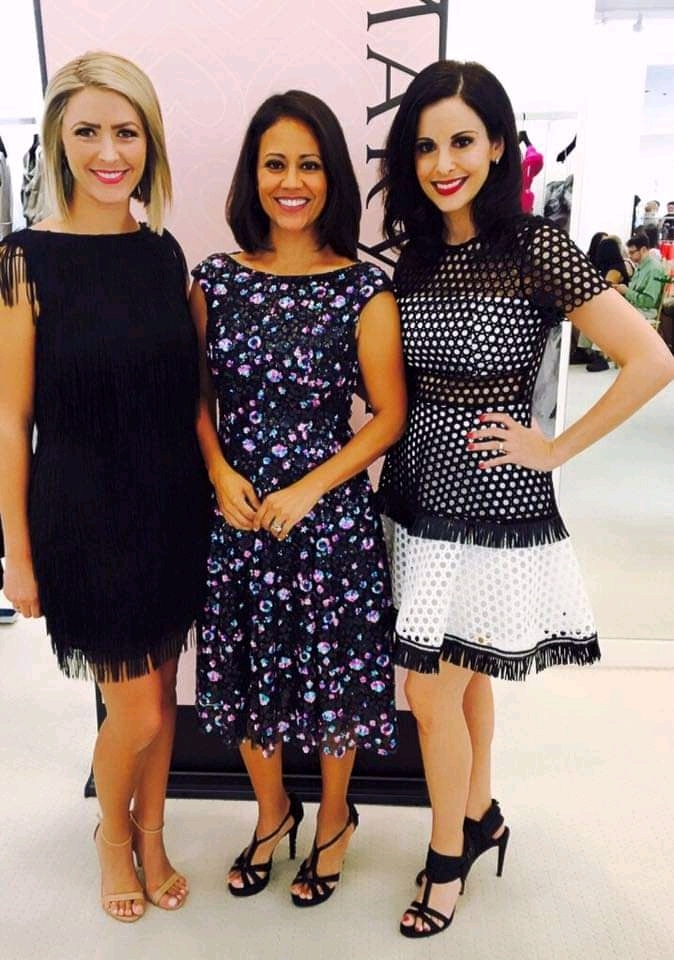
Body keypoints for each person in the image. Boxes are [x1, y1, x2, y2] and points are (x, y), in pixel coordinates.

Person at [377, 59, 674, 940]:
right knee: (461, 673)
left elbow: (652, 360)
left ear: (500, 146)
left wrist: (555, 448)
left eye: (462, 142)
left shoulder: (535, 247)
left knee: (430, 691)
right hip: (416, 495)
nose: (443, 163)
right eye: (425, 146)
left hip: (491, 504)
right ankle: (479, 816)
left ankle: (446, 860)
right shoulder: (416, 254)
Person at [0, 52, 209, 922]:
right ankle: (112, 838)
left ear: (149, 142)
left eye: (126, 131)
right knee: (139, 714)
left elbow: (190, 392)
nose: (108, 152)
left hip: (171, 507)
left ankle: (153, 834)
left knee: (162, 693)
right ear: (58, 139)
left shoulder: (162, 254)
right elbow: (10, 419)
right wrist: (16, 555)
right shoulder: (22, 260)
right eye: (87, 131)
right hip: (82, 516)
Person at [189, 90, 406, 907]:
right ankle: (273, 813)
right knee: (249, 675)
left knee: (333, 677)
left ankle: (335, 820)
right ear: (253, 175)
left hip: (329, 522)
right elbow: (196, 398)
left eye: (308, 165)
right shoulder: (215, 280)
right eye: (274, 163)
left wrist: (311, 489)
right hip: (239, 517)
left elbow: (388, 416)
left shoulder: (363, 290)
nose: (291, 181)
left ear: (332, 177)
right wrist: (218, 472)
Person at [585, 235, 636, 371]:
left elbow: (605, 290)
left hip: (617, 307)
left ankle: (600, 356)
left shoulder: (614, 270)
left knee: (598, 318)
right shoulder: (614, 267)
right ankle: (591, 352)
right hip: (616, 305)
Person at [616, 230, 668, 325]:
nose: (629, 256)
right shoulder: (641, 266)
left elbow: (649, 301)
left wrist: (626, 291)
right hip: (635, 310)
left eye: (632, 253)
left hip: (645, 313)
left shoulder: (654, 269)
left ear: (643, 250)